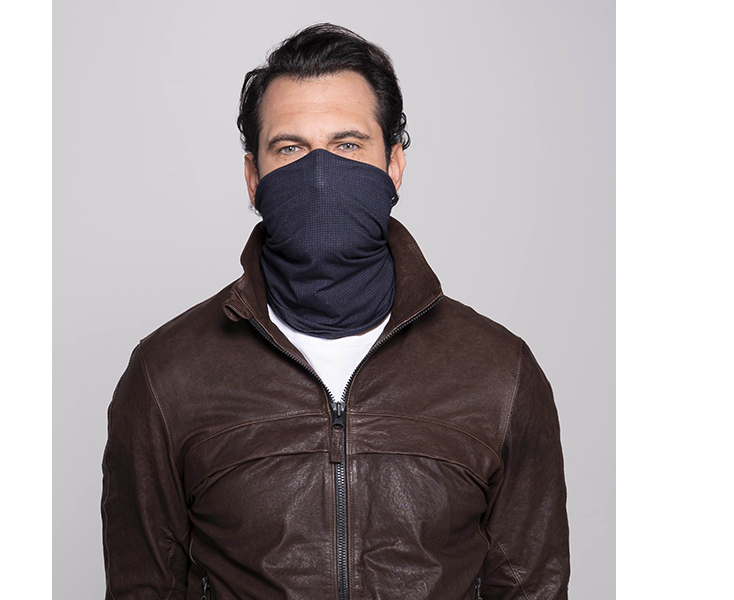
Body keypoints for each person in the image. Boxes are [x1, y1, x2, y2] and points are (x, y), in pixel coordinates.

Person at [101, 23, 570, 600]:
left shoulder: (500, 374)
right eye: (290, 149)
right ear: (252, 177)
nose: (320, 174)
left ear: (394, 165)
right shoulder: (166, 376)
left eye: (348, 145)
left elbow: (531, 588)